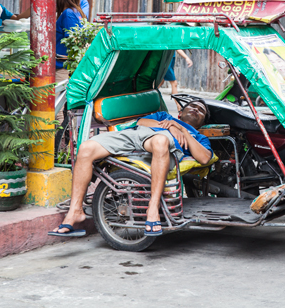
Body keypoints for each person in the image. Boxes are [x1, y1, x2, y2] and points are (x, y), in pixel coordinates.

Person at [49, 100, 212, 237]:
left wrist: (183, 130)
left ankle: (153, 209)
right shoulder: (164, 116)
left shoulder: (199, 137)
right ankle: (75, 211)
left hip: (160, 145)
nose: (196, 109)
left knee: (161, 141)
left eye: (201, 110)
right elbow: (141, 122)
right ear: (180, 113)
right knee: (85, 148)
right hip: (136, 136)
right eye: (192, 106)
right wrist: (171, 126)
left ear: (203, 122)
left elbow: (204, 158)